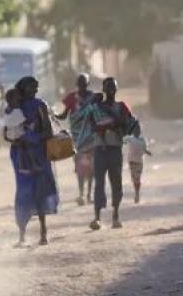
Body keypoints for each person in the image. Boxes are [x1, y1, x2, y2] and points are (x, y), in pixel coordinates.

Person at [10, 76, 58, 246]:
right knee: (23, 191)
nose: (35, 90)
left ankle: (43, 232)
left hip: (39, 152)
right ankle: (22, 234)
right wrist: (18, 139)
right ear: (24, 88)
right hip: (20, 155)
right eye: (32, 87)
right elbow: (7, 133)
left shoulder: (41, 106)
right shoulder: (14, 105)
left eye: (37, 87)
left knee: (40, 190)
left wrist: (31, 137)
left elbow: (49, 133)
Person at [89, 77, 137, 230]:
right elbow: (91, 126)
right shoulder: (96, 107)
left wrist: (115, 124)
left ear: (116, 90)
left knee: (116, 183)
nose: (111, 90)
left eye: (113, 87)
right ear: (103, 90)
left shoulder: (121, 106)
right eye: (108, 87)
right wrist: (109, 124)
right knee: (99, 184)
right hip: (100, 149)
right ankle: (97, 217)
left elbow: (129, 123)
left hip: (115, 148)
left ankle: (115, 215)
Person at [56, 73, 96, 205]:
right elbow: (63, 115)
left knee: (90, 168)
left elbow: (98, 114)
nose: (82, 86)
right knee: (81, 167)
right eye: (80, 84)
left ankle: (87, 194)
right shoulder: (72, 98)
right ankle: (82, 194)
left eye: (83, 83)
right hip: (79, 138)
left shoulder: (93, 97)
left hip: (89, 137)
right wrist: (51, 114)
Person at [3, 89, 41, 174]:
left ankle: (23, 166)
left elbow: (6, 124)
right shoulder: (17, 111)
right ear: (12, 101)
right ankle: (32, 164)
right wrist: (34, 122)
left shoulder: (7, 110)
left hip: (10, 133)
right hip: (17, 133)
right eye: (18, 100)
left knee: (21, 148)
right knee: (28, 146)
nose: (19, 102)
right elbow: (24, 122)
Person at [124, 123, 151, 204]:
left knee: (137, 178)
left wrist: (148, 152)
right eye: (136, 130)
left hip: (139, 161)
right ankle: (136, 192)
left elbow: (144, 149)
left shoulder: (143, 140)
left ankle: (137, 193)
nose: (137, 131)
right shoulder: (129, 138)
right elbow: (122, 141)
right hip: (131, 162)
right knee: (134, 178)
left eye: (138, 130)